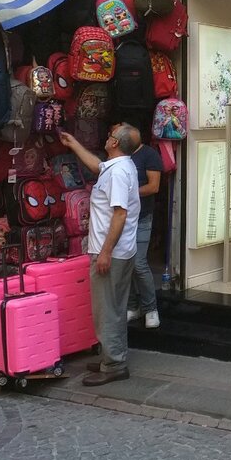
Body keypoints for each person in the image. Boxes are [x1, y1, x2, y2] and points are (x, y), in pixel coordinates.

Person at [59, 123, 141, 385]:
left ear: (115, 143)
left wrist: (105, 252)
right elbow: (97, 166)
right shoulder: (118, 166)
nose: (107, 136)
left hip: (112, 252)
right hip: (118, 250)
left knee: (107, 309)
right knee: (113, 306)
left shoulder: (118, 174)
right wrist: (73, 144)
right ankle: (111, 355)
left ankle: (114, 363)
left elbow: (120, 214)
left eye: (110, 135)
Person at [126, 126, 163, 329]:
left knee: (138, 263)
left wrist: (128, 192)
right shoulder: (119, 156)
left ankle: (151, 308)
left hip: (142, 216)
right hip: (121, 218)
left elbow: (154, 186)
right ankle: (132, 306)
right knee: (125, 263)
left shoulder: (149, 155)